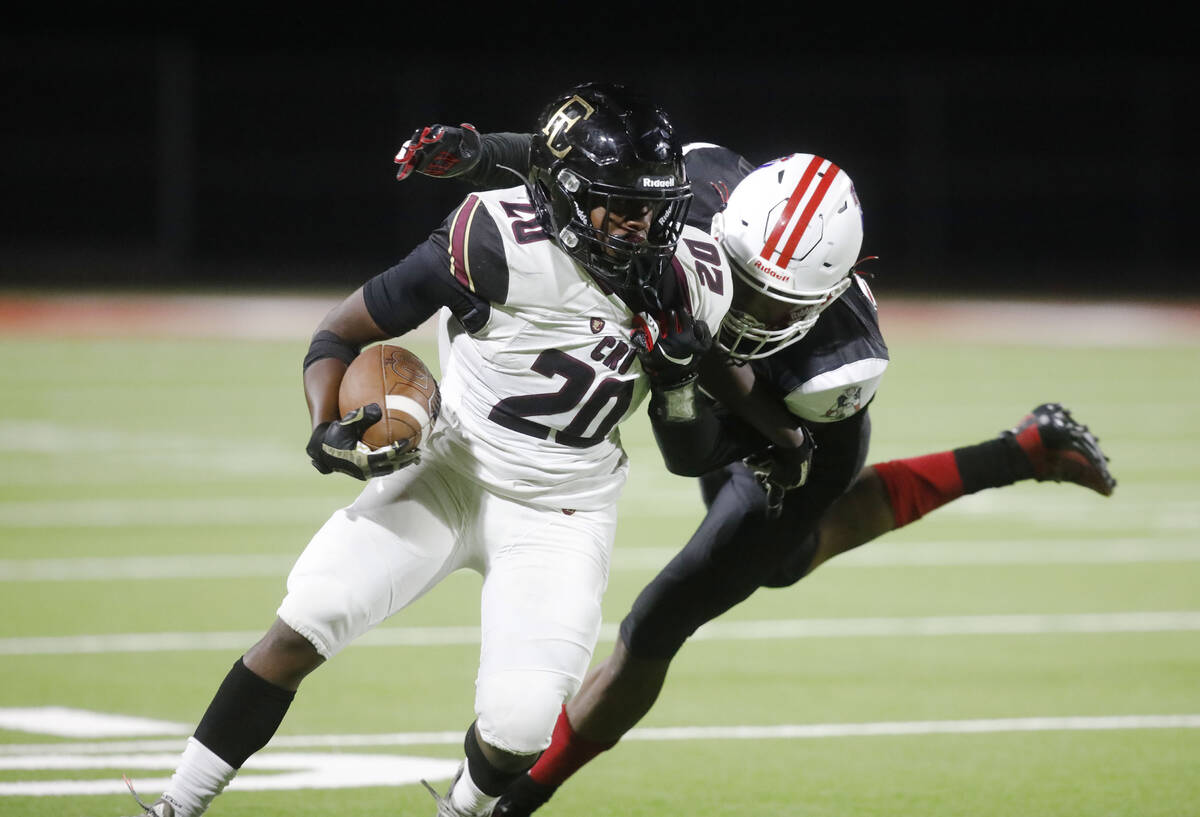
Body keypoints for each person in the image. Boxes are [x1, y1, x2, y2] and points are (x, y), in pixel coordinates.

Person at [393, 126, 1118, 815]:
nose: (744, 303)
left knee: (659, 621)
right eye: (740, 278)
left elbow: (697, 454)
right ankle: (1025, 448)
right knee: (789, 557)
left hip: (790, 431)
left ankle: (511, 800)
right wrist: (477, 151)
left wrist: (682, 371)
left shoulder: (839, 369)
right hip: (725, 380)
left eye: (772, 300)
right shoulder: (694, 193)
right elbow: (578, 166)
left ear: (825, 295)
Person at [119, 82, 735, 817]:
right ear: (566, 195)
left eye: (655, 205)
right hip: (449, 469)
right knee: (308, 617)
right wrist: (325, 429)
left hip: (562, 509)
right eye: (621, 204)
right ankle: (175, 804)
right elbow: (339, 333)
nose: (642, 224)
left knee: (520, 725)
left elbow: (693, 455)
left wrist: (674, 381)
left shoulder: (692, 280)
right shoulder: (492, 239)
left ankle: (461, 810)